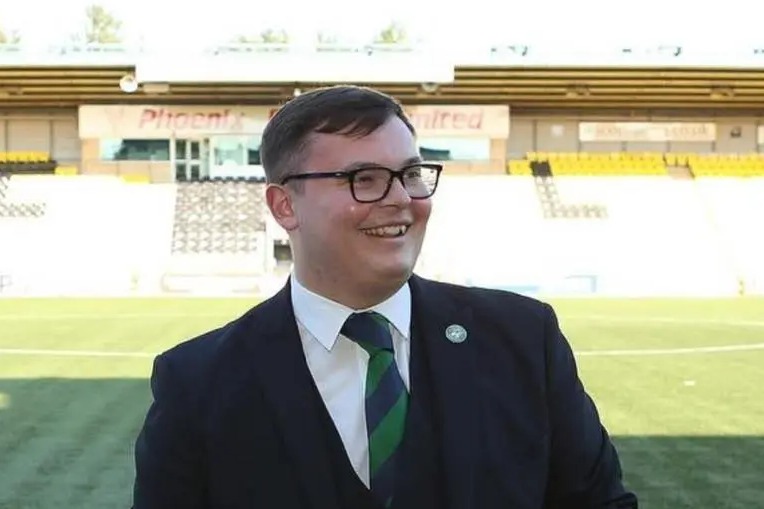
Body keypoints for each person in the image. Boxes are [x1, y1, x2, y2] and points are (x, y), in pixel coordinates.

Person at [132, 85, 638, 509]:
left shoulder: (526, 341)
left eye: (411, 174)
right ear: (285, 205)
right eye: (364, 179)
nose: (401, 199)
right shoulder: (196, 383)